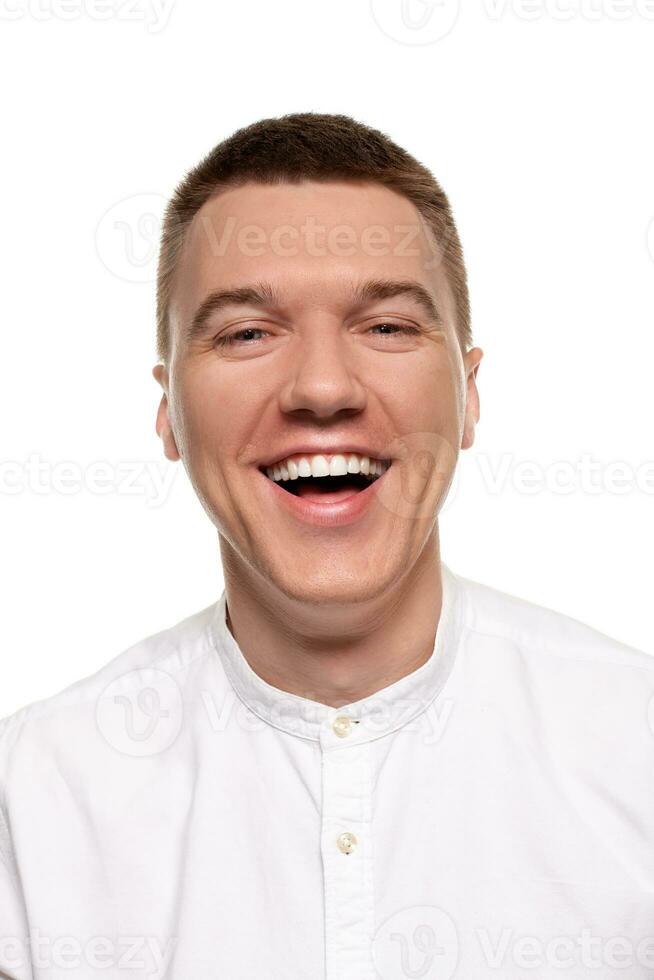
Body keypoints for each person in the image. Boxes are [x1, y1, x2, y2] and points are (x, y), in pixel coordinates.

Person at [1, 113, 652, 980]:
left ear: (469, 391)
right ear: (169, 412)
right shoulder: (31, 804)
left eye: (385, 326)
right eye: (246, 333)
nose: (321, 388)